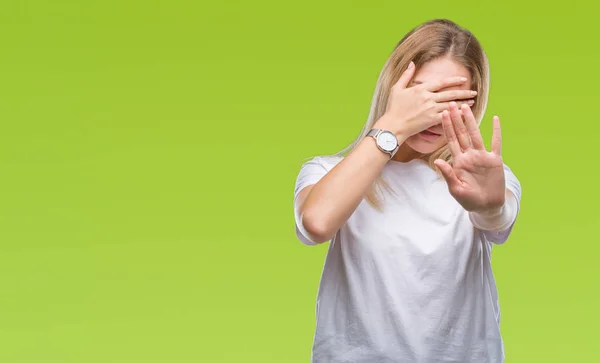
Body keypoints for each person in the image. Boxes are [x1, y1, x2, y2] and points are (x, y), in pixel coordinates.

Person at [292, 19, 522, 363]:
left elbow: (497, 218)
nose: (432, 114)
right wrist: (393, 126)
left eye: (452, 99)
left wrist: (490, 205)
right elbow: (316, 224)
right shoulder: (328, 172)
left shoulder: (481, 177)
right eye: (421, 95)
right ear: (393, 87)